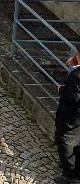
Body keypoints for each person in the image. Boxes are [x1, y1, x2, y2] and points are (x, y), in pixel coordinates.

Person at [56, 49, 80, 180]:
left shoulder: (77, 75)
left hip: (73, 116)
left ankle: (69, 175)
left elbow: (73, 97)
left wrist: (61, 89)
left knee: (65, 140)